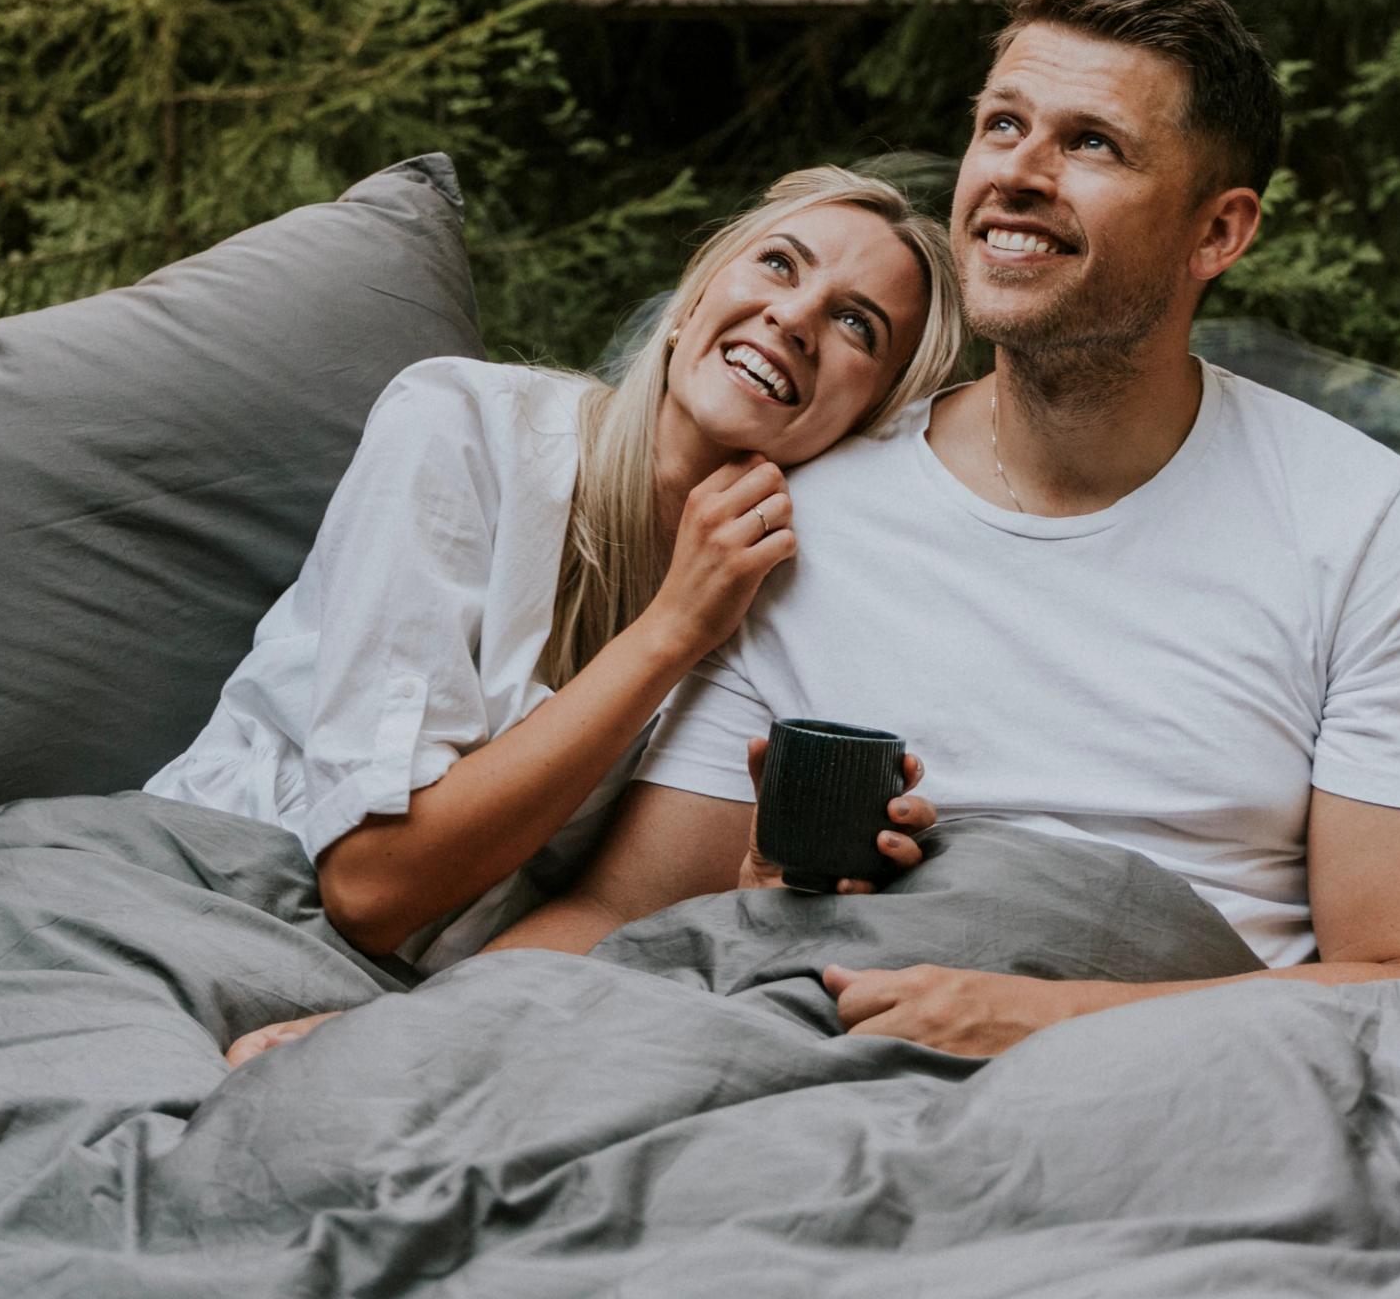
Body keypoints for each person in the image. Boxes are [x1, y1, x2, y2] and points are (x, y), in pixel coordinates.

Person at [475, 0, 1400, 1057]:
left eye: (1091, 143)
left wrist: (1039, 1019)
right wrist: (415, 1035)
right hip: (828, 1057)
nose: (1018, 171)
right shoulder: (803, 518)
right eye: (1003, 125)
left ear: (1217, 231)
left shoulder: (1359, 528)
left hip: (1195, 1084)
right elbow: (621, 916)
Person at [151, 167, 960, 977]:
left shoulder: (789, 610)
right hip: (215, 883)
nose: (795, 316)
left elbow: (613, 908)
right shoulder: (461, 428)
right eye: (780, 263)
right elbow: (369, 887)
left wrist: (744, 892)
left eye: (856, 323)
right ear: (692, 302)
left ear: (870, 422)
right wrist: (673, 627)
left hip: (439, 988)